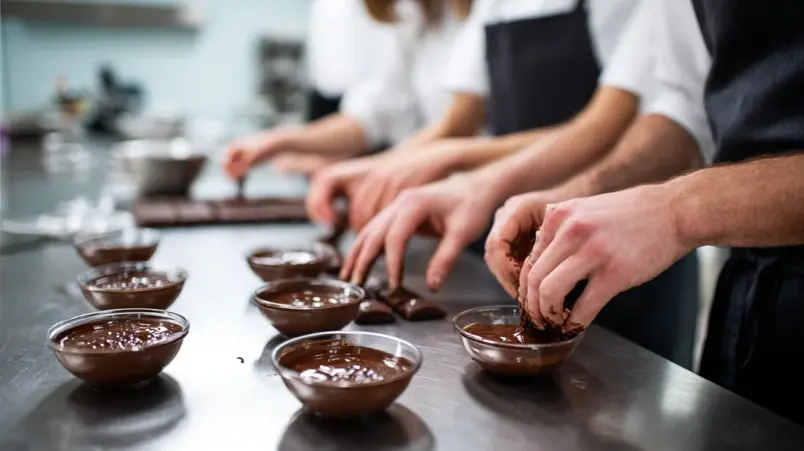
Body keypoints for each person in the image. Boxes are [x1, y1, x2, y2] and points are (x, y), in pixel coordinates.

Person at [339, 0, 709, 369]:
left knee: (619, 389)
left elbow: (611, 124)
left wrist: (469, 173)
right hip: (526, 231)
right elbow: (459, 119)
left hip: (630, 244)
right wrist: (394, 166)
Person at [483, 0, 804, 424]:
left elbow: (605, 120)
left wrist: (678, 211)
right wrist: (573, 196)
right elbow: (686, 114)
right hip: (750, 303)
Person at [307, 0, 648, 230]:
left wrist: (452, 163)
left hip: (617, 223)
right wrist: (381, 167)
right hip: (516, 220)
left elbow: (611, 126)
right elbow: (459, 121)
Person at [223, 0, 473, 180]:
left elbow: (458, 124)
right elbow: (373, 116)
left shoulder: (480, 10)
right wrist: (279, 140)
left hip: (473, 188)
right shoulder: (415, 14)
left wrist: (369, 168)